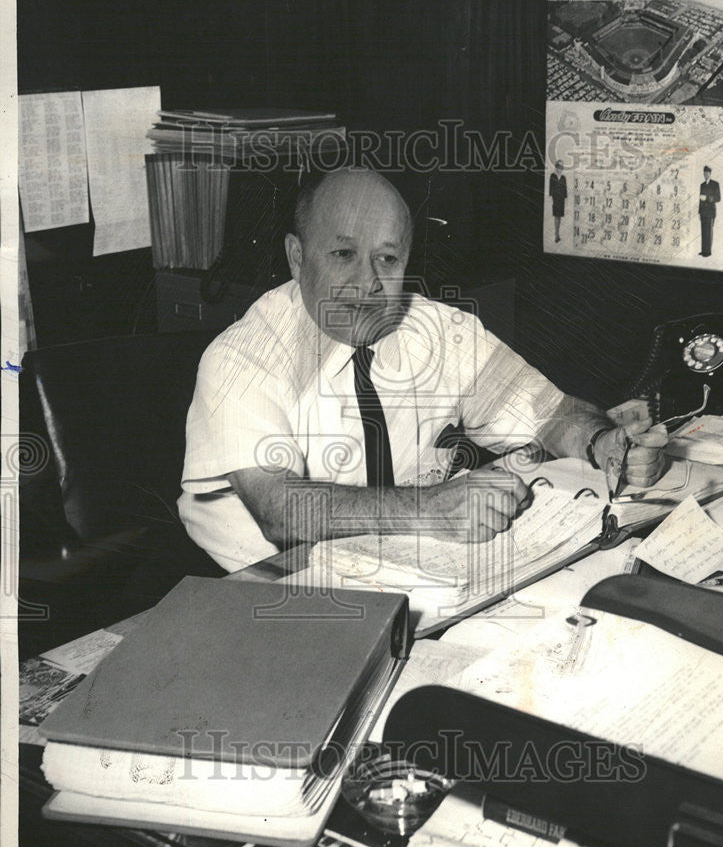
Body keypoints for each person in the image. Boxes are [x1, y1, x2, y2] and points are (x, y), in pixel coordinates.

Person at [179, 167, 666, 572]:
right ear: (297, 256)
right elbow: (280, 511)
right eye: (344, 254)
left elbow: (550, 414)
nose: (368, 283)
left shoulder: (438, 329)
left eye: (387, 259)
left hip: (408, 567)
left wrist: (603, 442)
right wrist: (431, 510)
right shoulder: (243, 357)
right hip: (263, 584)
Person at [698, 165, 721, 257]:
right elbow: (700, 199)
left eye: (707, 173)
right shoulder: (702, 185)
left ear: (710, 174)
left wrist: (707, 198)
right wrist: (699, 212)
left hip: (710, 212)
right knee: (703, 232)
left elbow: (718, 198)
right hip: (703, 212)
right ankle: (703, 251)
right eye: (704, 173)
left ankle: (708, 252)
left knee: (709, 232)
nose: (705, 174)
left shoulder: (715, 184)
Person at [549, 160, 567, 242]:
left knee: (559, 217)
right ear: (556, 167)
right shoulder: (552, 176)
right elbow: (551, 188)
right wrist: (552, 197)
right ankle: (556, 234)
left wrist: (564, 197)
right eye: (559, 167)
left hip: (561, 199)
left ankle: (558, 234)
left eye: (562, 167)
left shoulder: (563, 177)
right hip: (556, 199)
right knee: (556, 216)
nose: (560, 169)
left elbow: (565, 189)